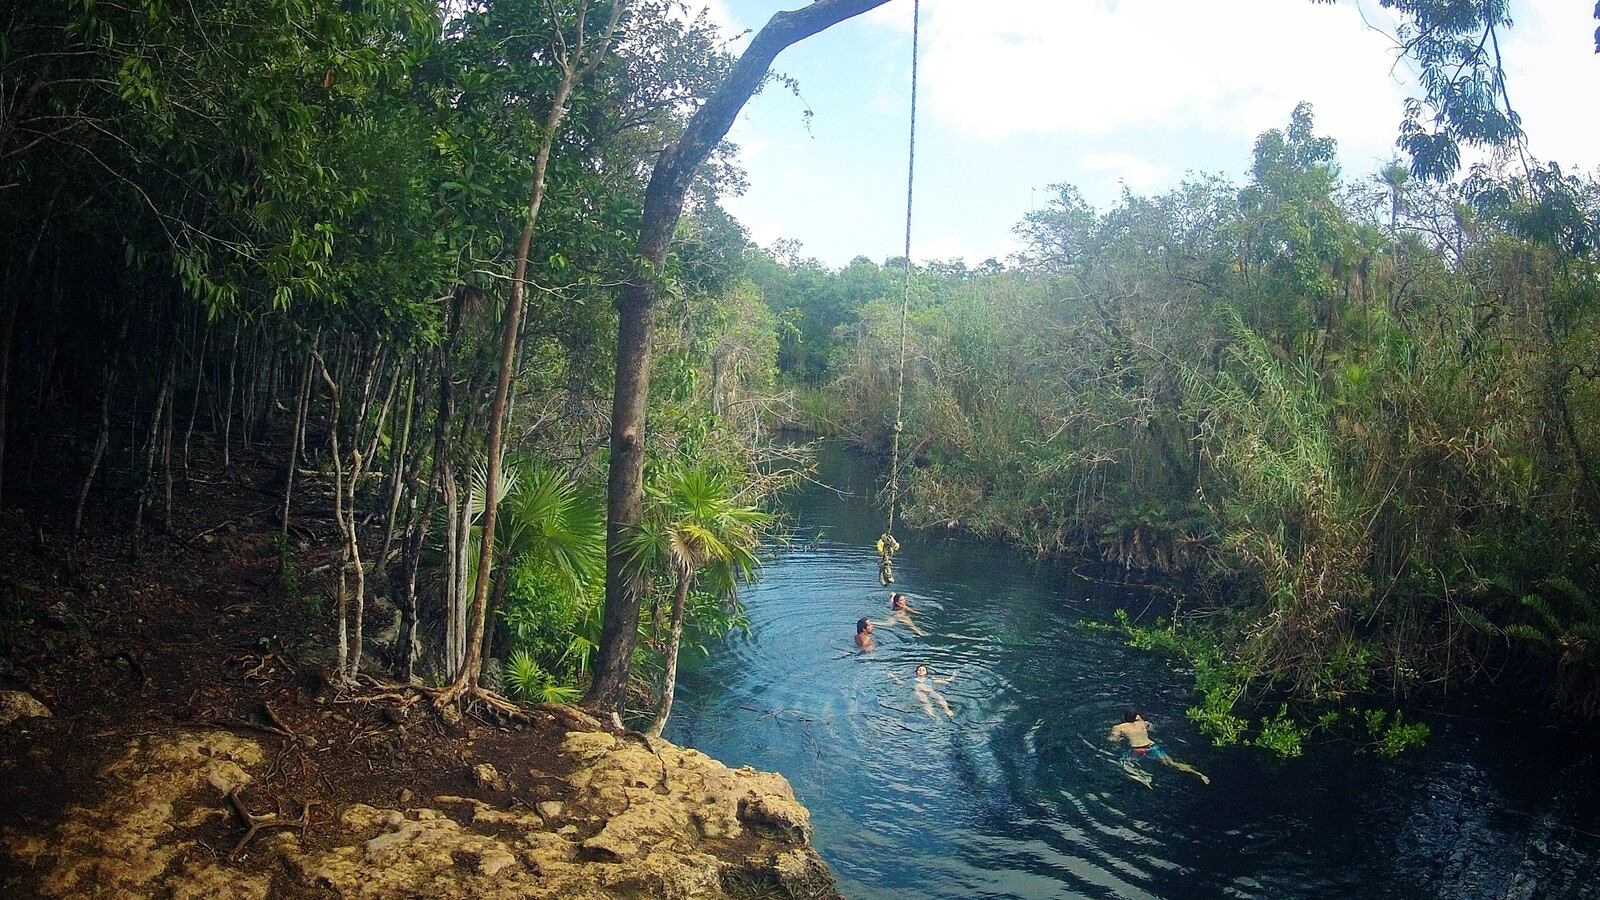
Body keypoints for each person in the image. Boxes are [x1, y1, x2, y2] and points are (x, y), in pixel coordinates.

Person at [1108, 710, 1209, 785]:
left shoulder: (1119, 727)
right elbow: (1152, 728)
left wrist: (1117, 738)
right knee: (1172, 763)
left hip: (1137, 750)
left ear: (1124, 717)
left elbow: (1114, 740)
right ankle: (1199, 774)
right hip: (1152, 747)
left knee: (1125, 765)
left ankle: (1145, 778)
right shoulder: (1143, 723)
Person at [890, 664, 957, 719]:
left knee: (940, 698)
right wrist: (893, 677)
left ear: (926, 672)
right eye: (919, 670)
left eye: (923, 670)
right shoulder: (912, 680)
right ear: (916, 672)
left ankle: (947, 710)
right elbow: (902, 683)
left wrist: (953, 676)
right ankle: (934, 716)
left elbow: (946, 681)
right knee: (926, 702)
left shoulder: (930, 679)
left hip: (930, 691)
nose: (921, 671)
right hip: (919, 692)